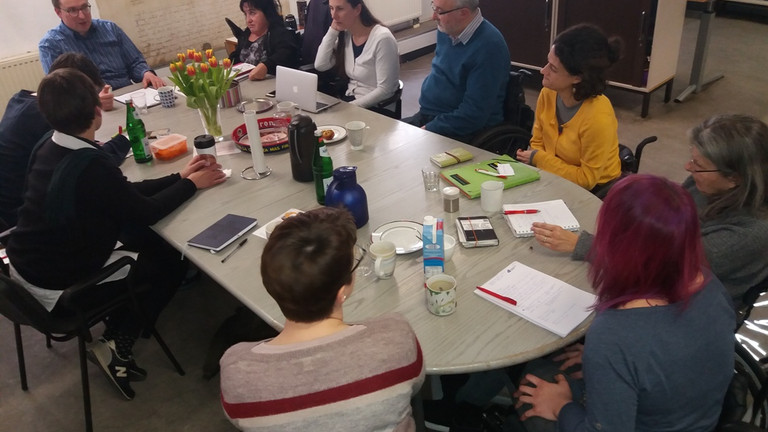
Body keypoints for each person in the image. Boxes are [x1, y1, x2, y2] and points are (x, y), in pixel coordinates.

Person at [6, 68, 226, 400]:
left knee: (143, 238)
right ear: (97, 112)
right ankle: (116, 346)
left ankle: (115, 333)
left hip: (22, 270)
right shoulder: (89, 164)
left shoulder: (49, 145)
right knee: (170, 260)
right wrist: (191, 185)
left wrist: (179, 177)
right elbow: (145, 211)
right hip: (58, 290)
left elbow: (121, 193)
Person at [514, 175, 735, 432]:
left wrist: (563, 407)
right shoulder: (710, 283)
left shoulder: (614, 334)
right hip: (699, 417)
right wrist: (617, 368)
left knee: (532, 382)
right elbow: (671, 352)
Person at [220, 207, 425, 431]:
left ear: (270, 286)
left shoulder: (236, 370)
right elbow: (413, 387)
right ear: (341, 292)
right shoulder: (396, 336)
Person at [532, 114, 768, 308]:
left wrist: (582, 245)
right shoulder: (708, 183)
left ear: (734, 179)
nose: (688, 168)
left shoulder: (748, 234)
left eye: (699, 166)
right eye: (692, 160)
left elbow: (661, 267)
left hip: (687, 308)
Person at [0, 52, 130, 227]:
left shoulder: (22, 99)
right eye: (89, 94)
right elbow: (88, 165)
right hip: (28, 218)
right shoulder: (44, 118)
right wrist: (125, 140)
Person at [515, 24, 622, 194]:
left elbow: (586, 180)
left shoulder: (598, 117)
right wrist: (543, 163)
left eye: (553, 68)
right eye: (548, 62)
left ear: (577, 77)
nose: (543, 70)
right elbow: (537, 141)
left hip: (595, 192)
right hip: (553, 178)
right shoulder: (548, 93)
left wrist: (540, 159)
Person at [402, 0, 510, 143]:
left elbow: (473, 115)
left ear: (463, 13)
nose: (433, 16)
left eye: (439, 11)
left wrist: (429, 129)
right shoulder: (448, 29)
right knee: (383, 142)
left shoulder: (490, 46)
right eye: (433, 7)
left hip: (463, 130)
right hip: (430, 116)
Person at [39, 0, 166, 90]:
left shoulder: (110, 29)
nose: (82, 15)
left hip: (127, 94)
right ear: (58, 12)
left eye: (84, 7)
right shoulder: (50, 45)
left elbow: (135, 62)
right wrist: (93, 99)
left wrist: (145, 73)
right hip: (90, 107)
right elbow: (60, 90)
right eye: (72, 10)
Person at [313, 0, 399, 108]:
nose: (334, 16)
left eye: (340, 9)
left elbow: (386, 89)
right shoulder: (346, 35)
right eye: (331, 8)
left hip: (375, 107)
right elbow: (320, 65)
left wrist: (349, 108)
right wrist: (333, 31)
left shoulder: (382, 38)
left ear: (357, 9)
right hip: (351, 100)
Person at [228, 0, 300, 81]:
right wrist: (229, 61)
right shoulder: (247, 33)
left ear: (267, 12)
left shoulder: (280, 33)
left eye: (252, 13)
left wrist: (266, 66)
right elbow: (238, 54)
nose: (248, 20)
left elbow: (286, 55)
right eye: (245, 14)